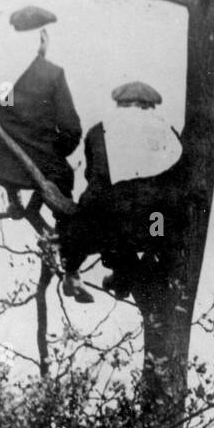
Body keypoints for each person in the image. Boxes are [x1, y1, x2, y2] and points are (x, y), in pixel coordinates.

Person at [59, 81, 182, 301]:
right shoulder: (166, 131)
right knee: (160, 220)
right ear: (150, 105)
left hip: (115, 224)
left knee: (89, 221)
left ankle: (73, 272)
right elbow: (177, 177)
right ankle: (136, 274)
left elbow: (94, 178)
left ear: (119, 103)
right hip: (156, 226)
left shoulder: (100, 130)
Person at [0, 5, 82, 226]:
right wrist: (48, 146)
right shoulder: (51, 74)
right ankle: (59, 233)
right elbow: (72, 132)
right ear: (42, 37)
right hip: (39, 167)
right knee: (63, 175)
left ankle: (15, 199)